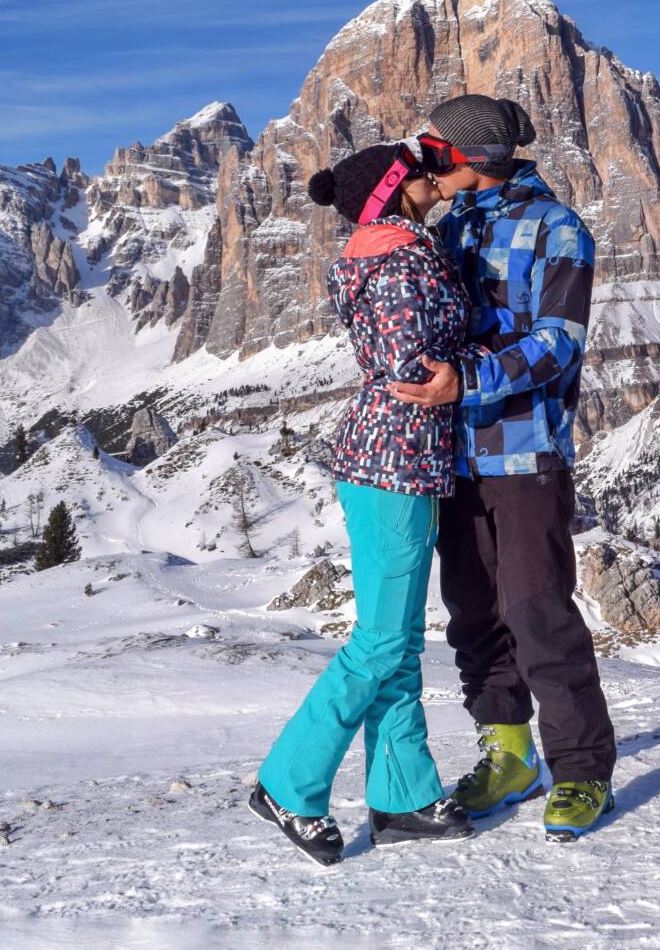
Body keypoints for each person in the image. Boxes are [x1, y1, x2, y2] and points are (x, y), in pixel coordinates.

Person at [388, 94, 616, 843]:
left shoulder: (558, 230)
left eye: (433, 147)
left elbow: (560, 343)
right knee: (475, 614)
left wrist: (466, 381)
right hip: (450, 453)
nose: (425, 158)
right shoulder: (447, 224)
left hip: (524, 452)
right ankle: (509, 754)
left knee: (537, 610)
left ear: (469, 156)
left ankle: (581, 770)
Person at [249, 140, 482, 865]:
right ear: (396, 188)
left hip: (401, 458)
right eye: (421, 171)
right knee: (381, 642)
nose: (434, 177)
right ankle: (288, 783)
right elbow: (415, 365)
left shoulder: (396, 246)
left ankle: (403, 794)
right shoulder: (397, 260)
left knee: (402, 639)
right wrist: (476, 368)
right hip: (393, 460)